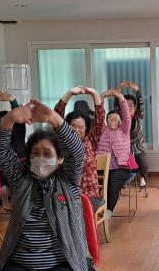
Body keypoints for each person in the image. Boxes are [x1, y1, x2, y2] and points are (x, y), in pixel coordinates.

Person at [0, 100, 95, 271]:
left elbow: (77, 152)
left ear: (60, 158)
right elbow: (0, 151)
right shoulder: (20, 178)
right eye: (35, 153)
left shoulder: (68, 180)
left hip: (60, 262)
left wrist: (55, 119)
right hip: (19, 262)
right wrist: (9, 119)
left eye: (47, 153)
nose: (41, 158)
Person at [54, 86, 106, 212]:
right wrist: (69, 93)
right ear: (67, 127)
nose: (77, 130)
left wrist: (94, 93)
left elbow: (99, 119)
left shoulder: (92, 140)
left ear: (86, 128)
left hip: (89, 194)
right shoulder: (63, 141)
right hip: (66, 193)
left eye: (81, 127)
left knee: (79, 215)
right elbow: (56, 116)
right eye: (73, 126)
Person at [98, 89, 132, 220]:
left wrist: (120, 97)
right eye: (110, 117)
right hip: (101, 167)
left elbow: (127, 116)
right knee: (93, 182)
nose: (112, 119)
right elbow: (99, 116)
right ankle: (93, 208)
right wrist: (101, 97)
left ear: (120, 122)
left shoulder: (124, 131)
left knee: (111, 182)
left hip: (120, 168)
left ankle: (108, 210)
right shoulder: (102, 130)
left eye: (116, 118)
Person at [0, 92, 26, 193]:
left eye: (8, 121)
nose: (6, 125)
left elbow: (18, 115)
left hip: (20, 176)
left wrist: (13, 100)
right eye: (2, 122)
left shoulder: (18, 132)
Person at [114, 80, 148, 189]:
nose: (128, 107)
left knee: (143, 164)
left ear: (134, 106)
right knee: (119, 165)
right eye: (126, 105)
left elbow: (141, 103)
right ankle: (124, 180)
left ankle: (141, 177)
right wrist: (119, 89)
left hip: (137, 147)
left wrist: (137, 90)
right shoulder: (120, 116)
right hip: (123, 149)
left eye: (131, 105)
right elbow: (116, 105)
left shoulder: (138, 116)